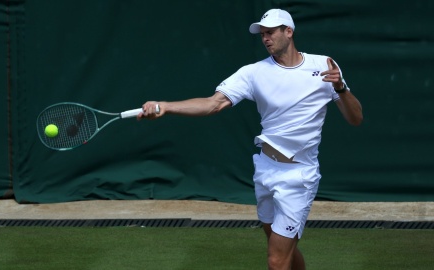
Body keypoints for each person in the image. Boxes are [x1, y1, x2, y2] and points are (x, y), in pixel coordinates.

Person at [138, 8, 363, 270]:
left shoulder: (323, 66)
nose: (266, 38)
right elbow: (213, 104)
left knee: (276, 261)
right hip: (266, 170)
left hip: (299, 176)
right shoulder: (253, 72)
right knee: (281, 248)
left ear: (288, 32)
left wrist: (341, 88)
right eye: (262, 34)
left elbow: (355, 118)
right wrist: (166, 106)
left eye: (271, 33)